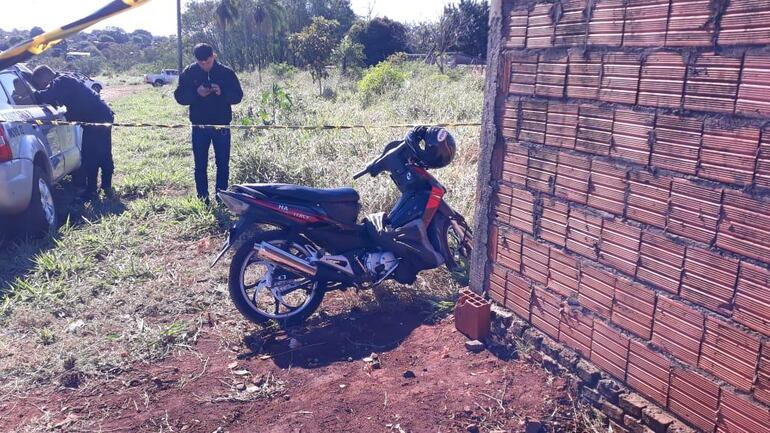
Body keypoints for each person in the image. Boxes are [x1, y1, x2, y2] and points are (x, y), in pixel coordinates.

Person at [32, 65, 115, 200]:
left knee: (91, 154)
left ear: (44, 75)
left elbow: (45, 96)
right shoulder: (64, 79)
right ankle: (105, 187)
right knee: (102, 151)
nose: (42, 85)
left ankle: (92, 190)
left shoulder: (61, 81)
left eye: (40, 82)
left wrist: (29, 94)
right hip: (100, 116)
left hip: (96, 119)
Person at [174, 43, 243, 203]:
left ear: (214, 56)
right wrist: (196, 93)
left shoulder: (226, 72)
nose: (205, 65)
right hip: (199, 126)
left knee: (223, 164)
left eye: (208, 61)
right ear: (196, 60)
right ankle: (202, 198)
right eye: (201, 63)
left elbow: (238, 96)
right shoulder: (189, 72)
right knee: (200, 164)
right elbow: (180, 97)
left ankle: (221, 198)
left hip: (222, 126)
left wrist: (221, 92)